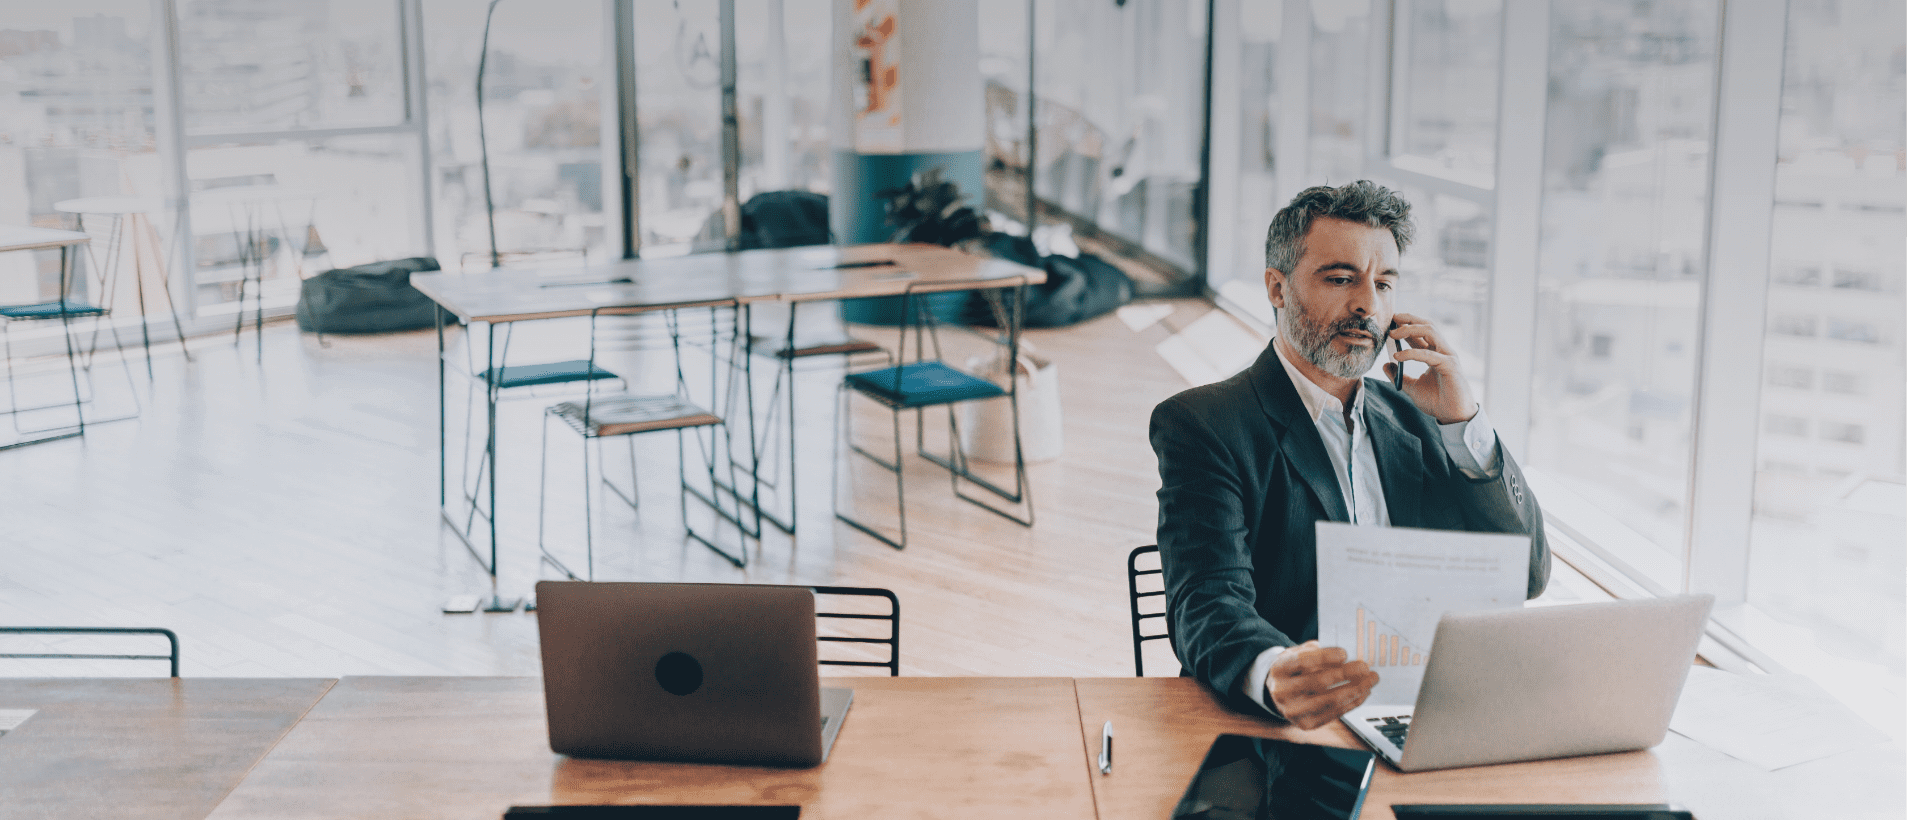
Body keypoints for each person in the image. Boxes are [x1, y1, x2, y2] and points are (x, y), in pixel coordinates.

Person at [1149, 180, 1549, 730]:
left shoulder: (1425, 420)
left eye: (1384, 284)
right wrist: (1273, 672)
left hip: (1421, 712)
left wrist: (1464, 424)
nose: (1367, 305)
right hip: (1289, 723)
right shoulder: (1205, 425)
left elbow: (1524, 576)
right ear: (1277, 288)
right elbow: (1205, 600)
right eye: (1340, 279)